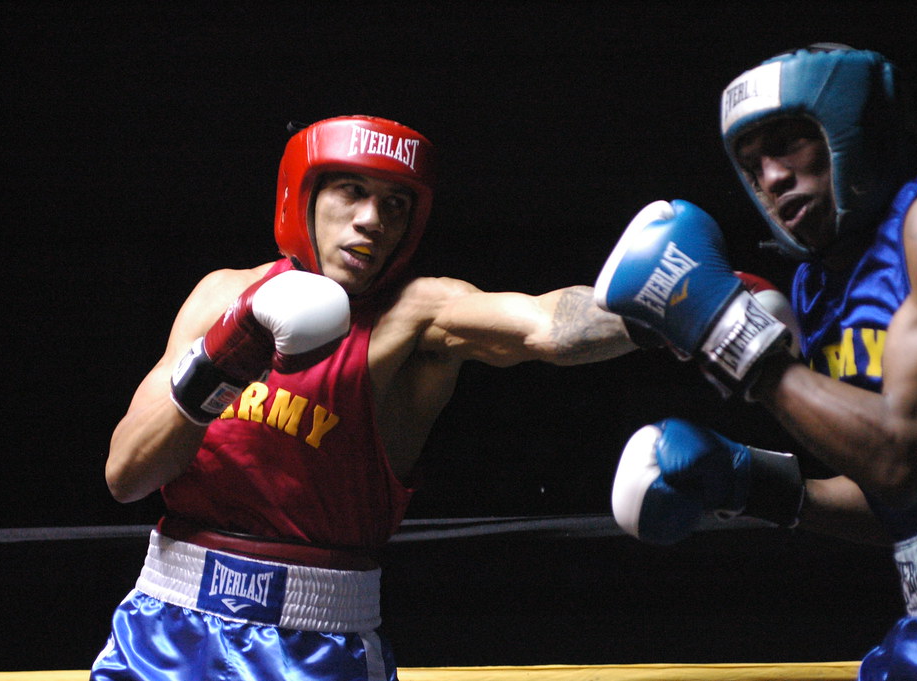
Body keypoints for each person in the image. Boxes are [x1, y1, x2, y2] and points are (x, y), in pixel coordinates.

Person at [91, 115, 637, 680]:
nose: (372, 220)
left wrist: (680, 299)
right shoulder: (221, 296)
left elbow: (546, 325)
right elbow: (125, 475)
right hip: (164, 629)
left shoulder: (418, 316)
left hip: (314, 647)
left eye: (396, 204)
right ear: (304, 196)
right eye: (352, 191)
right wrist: (227, 355)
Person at [595, 44, 917, 679]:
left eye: (788, 142)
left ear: (851, 128)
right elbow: (900, 506)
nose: (771, 178)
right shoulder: (816, 293)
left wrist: (727, 336)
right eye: (751, 165)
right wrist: (746, 482)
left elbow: (900, 456)